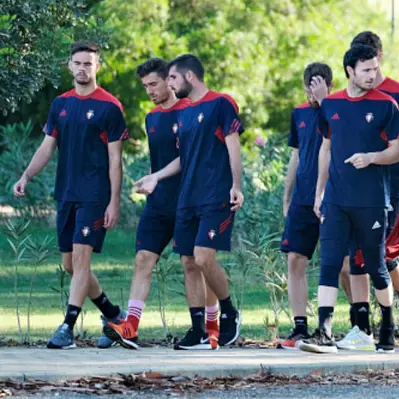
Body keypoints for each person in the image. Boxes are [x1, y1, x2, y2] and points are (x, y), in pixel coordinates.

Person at [13, 40, 128, 349]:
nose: (82, 68)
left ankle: (67, 328)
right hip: (66, 192)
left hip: (95, 195)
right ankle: (114, 315)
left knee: (81, 258)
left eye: (88, 63)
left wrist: (114, 201)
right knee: (70, 264)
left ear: (97, 67)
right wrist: (26, 175)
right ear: (69, 66)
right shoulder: (60, 104)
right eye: (77, 63)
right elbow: (47, 146)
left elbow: (115, 159)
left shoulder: (110, 106)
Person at [104, 58, 220, 350]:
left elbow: (189, 156)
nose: (150, 91)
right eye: (145, 86)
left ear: (170, 80)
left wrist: (158, 177)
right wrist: (152, 180)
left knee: (193, 264)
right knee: (143, 259)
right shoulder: (151, 118)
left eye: (154, 84)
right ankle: (130, 327)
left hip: (190, 201)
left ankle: (210, 327)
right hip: (158, 203)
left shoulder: (191, 110)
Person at [297, 44, 399, 354]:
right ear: (350, 71)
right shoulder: (330, 105)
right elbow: (326, 148)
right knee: (330, 262)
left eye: (375, 68)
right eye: (366, 70)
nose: (373, 75)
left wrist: (371, 157)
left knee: (375, 265)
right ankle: (324, 331)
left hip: (372, 201)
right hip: (336, 200)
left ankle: (387, 327)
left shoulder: (386, 105)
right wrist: (319, 192)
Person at [134, 54, 244, 349]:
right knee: (188, 262)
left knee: (204, 257)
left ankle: (229, 312)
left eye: (172, 77)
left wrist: (236, 185)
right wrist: (156, 176)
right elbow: (183, 158)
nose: (169, 83)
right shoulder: (184, 115)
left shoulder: (221, 103)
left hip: (215, 195)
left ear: (190, 77)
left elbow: (233, 146)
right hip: (188, 199)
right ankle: (198, 330)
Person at [337, 31, 399, 347]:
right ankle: (362, 327)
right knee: (354, 258)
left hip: (393, 187)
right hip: (354, 191)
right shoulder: (347, 96)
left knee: (380, 257)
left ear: (379, 57)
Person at [278, 63, 334, 349]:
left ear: (329, 87)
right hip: (302, 199)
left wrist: (325, 103)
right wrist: (287, 196)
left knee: (342, 264)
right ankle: (300, 326)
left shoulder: (339, 110)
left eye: (318, 88)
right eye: (309, 89)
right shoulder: (299, 113)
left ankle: (356, 326)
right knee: (295, 260)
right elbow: (296, 157)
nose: (312, 94)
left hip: (333, 198)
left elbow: (341, 140)